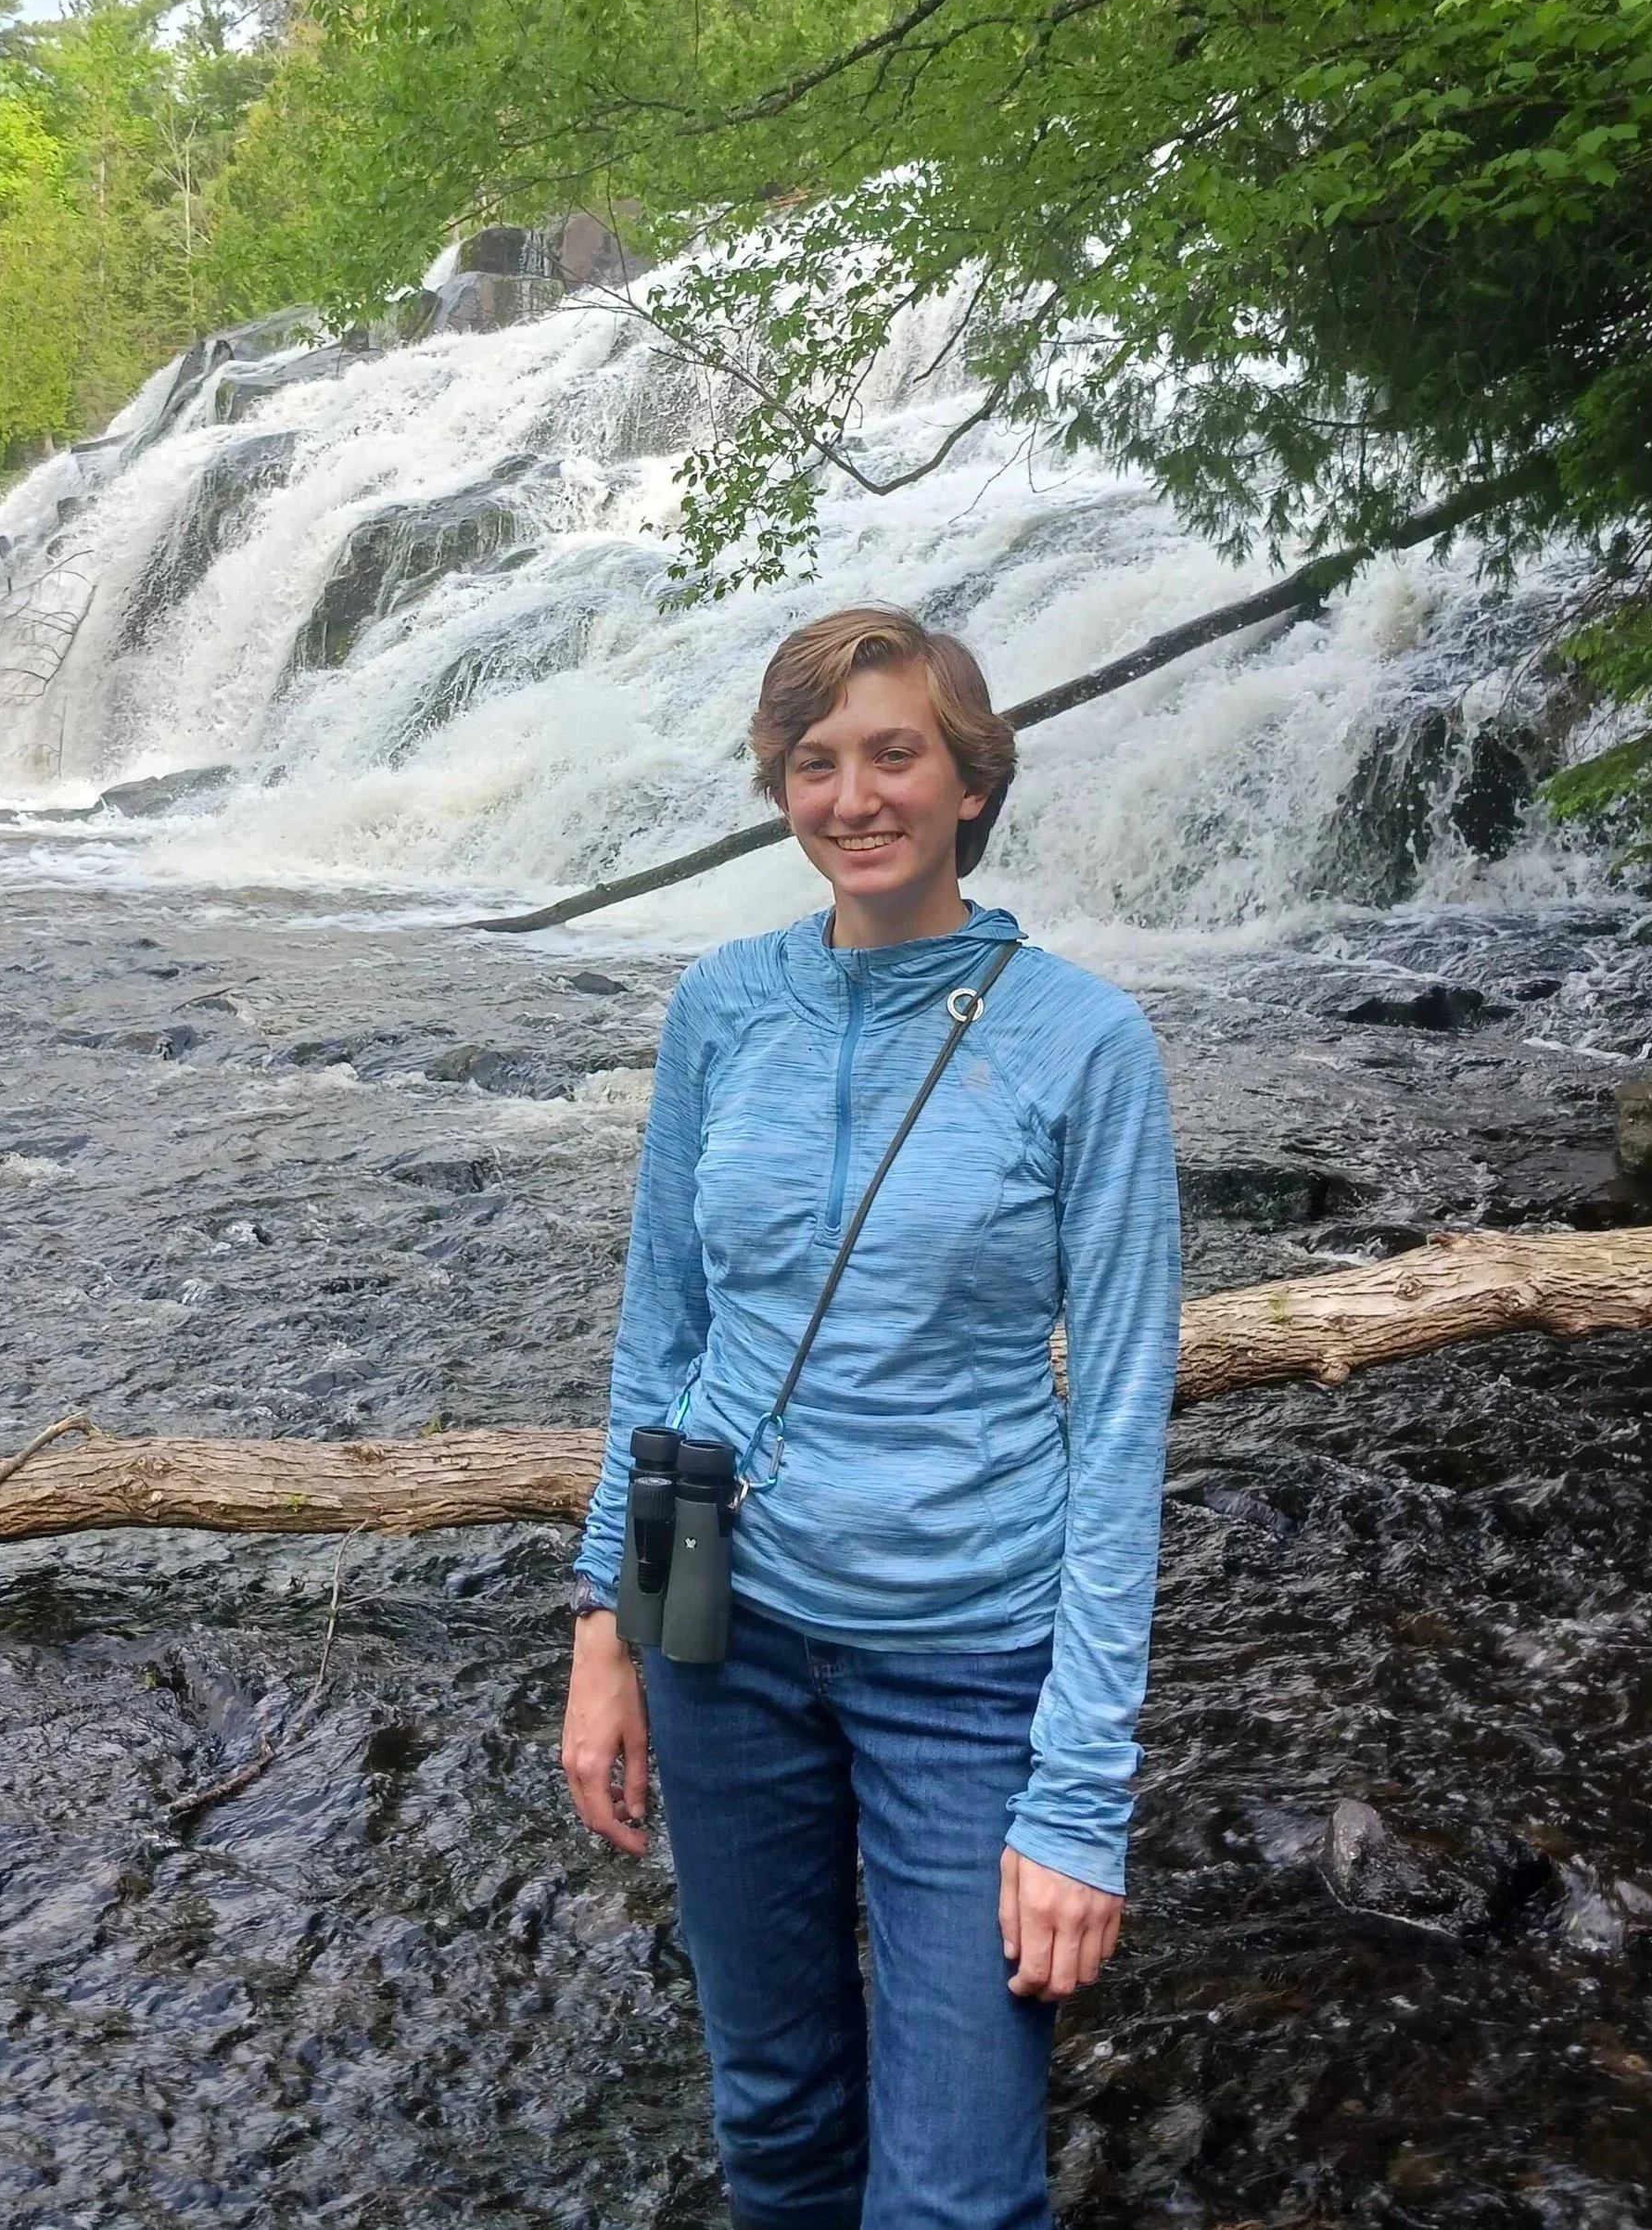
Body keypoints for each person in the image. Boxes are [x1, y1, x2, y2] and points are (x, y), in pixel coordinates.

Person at [561, 605, 1182, 2230]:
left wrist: (1077, 1799)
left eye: (895, 752)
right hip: (726, 1642)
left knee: (959, 2189)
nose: (856, 795)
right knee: (773, 2117)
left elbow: (1118, 1431)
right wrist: (606, 1629)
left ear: (970, 779)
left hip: (970, 1666)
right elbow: (665, 1336)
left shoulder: (1086, 1043)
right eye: (815, 761)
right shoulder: (720, 1009)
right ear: (780, 788)